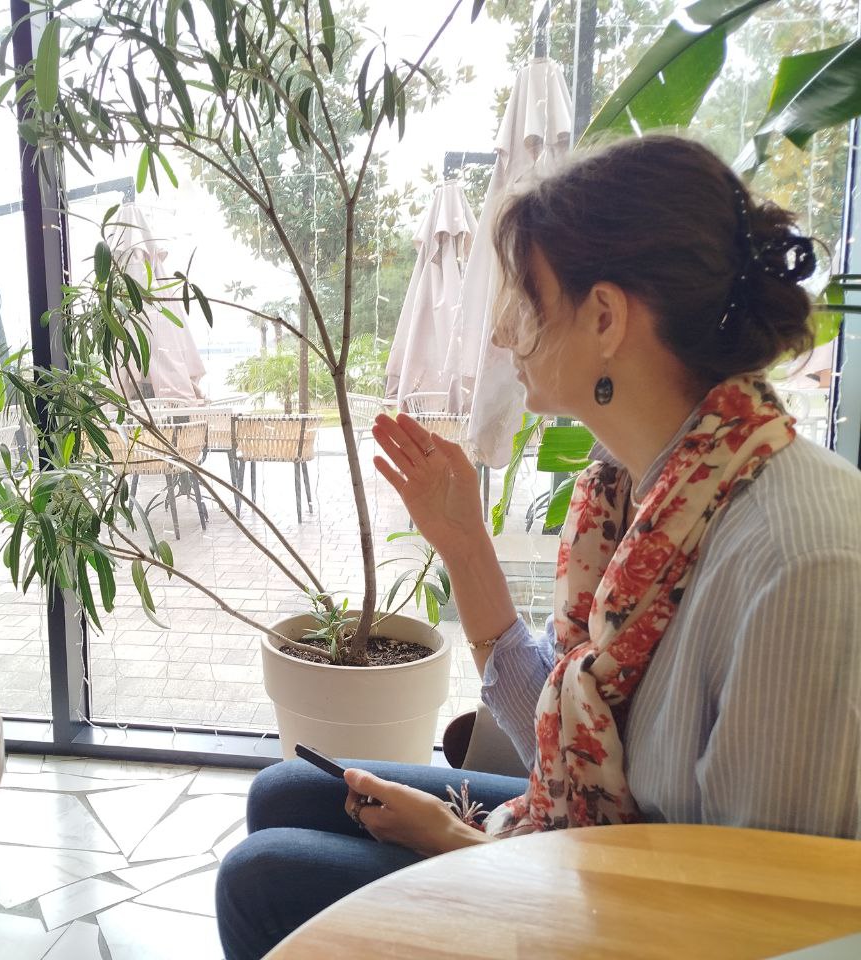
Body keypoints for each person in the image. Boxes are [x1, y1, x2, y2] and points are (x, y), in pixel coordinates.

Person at [215, 134, 861, 960]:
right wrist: (464, 547)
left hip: (649, 924)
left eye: (523, 295)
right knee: (286, 792)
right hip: (602, 851)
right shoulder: (635, 497)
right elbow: (566, 742)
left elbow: (750, 928)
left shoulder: (797, 563)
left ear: (605, 318)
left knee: (262, 877)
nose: (500, 331)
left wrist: (455, 843)